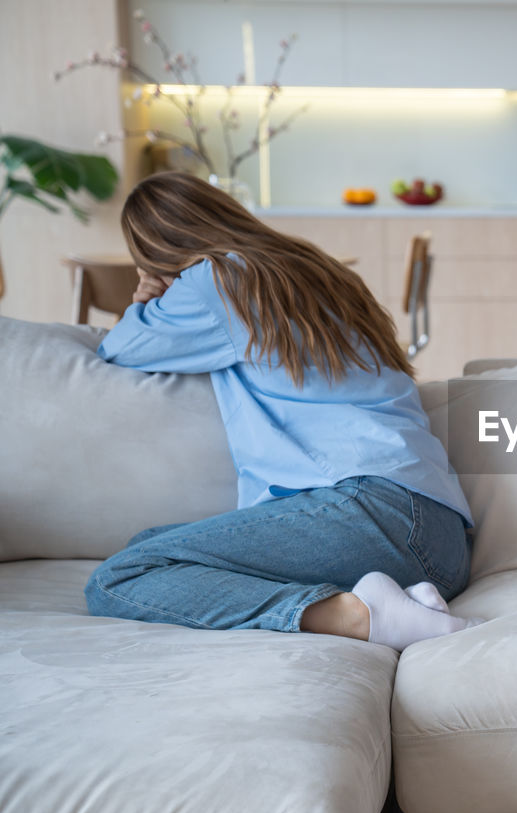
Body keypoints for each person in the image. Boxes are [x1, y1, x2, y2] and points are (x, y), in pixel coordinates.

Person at [85, 171, 476, 652]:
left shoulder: (220, 279)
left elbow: (122, 347)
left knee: (120, 577)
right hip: (441, 542)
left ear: (156, 251)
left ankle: (354, 616)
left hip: (371, 513)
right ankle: (405, 605)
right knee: (147, 545)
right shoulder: (316, 269)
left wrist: (146, 293)